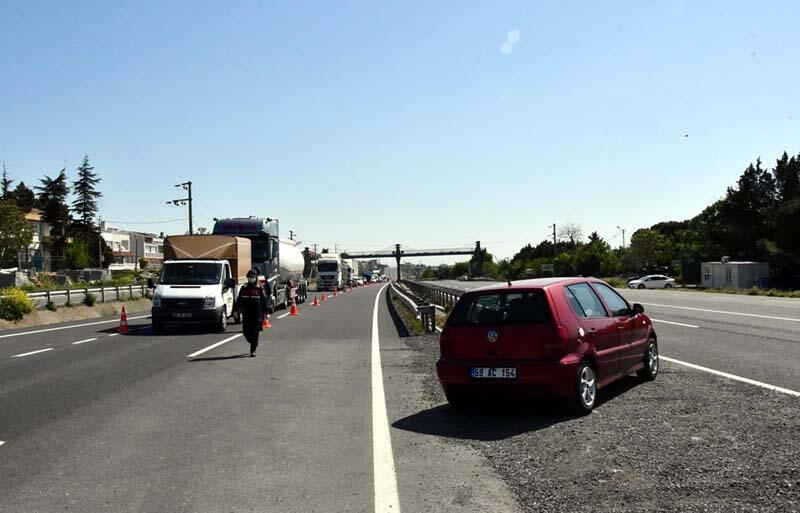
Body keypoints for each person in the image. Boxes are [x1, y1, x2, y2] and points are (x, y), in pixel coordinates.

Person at [235, 269, 268, 357]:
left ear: (256, 278)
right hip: (246, 314)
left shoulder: (259, 288)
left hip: (257, 314)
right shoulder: (244, 288)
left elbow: (264, 301)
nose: (251, 279)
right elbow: (239, 300)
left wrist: (266, 312)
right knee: (246, 332)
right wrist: (236, 310)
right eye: (250, 277)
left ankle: (253, 350)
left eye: (253, 277)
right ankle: (252, 342)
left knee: (255, 332)